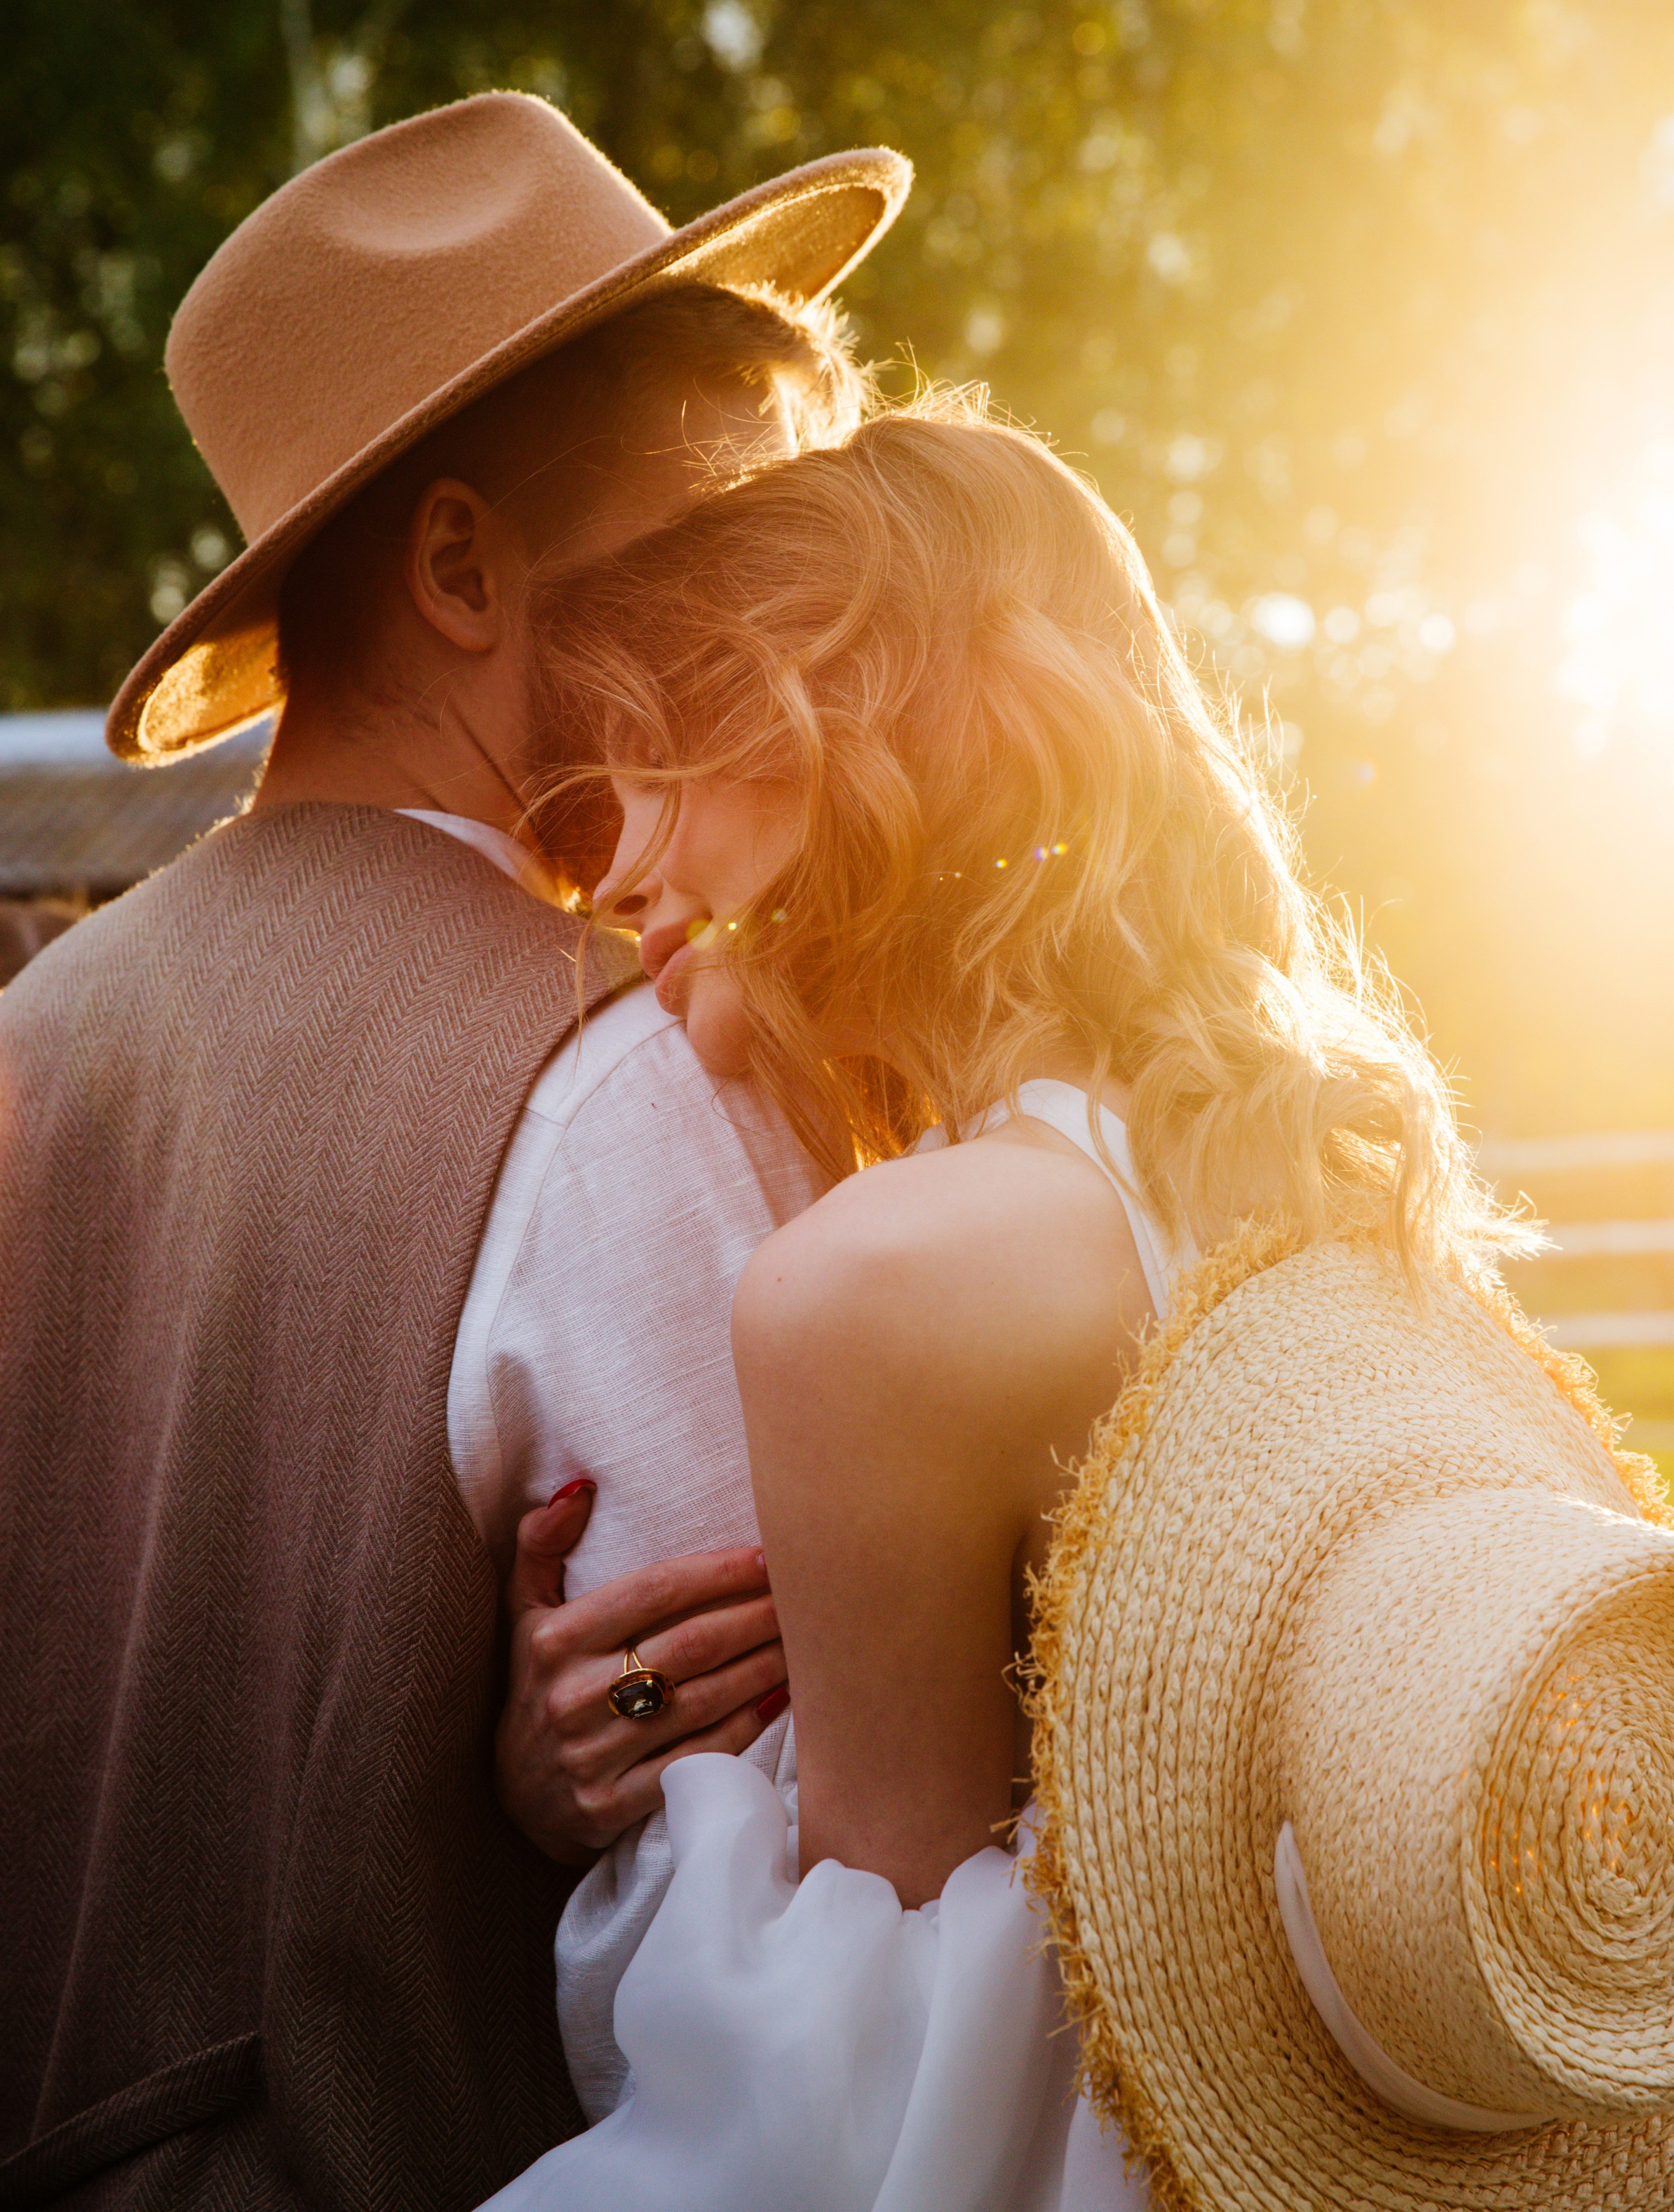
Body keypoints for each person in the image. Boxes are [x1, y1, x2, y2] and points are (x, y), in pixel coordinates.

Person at [0, 89, 910, 2211]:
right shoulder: (614, 1082)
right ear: (463, 570)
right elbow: (774, 1901)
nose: (764, 632)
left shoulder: (31, 1040)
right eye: (705, 550)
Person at [480, 405, 1531, 2209]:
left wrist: (548, 1799)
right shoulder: (1307, 1158)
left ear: (868, 748)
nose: (620, 867)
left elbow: (856, 2052)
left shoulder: (871, 1288)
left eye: (662, 765)